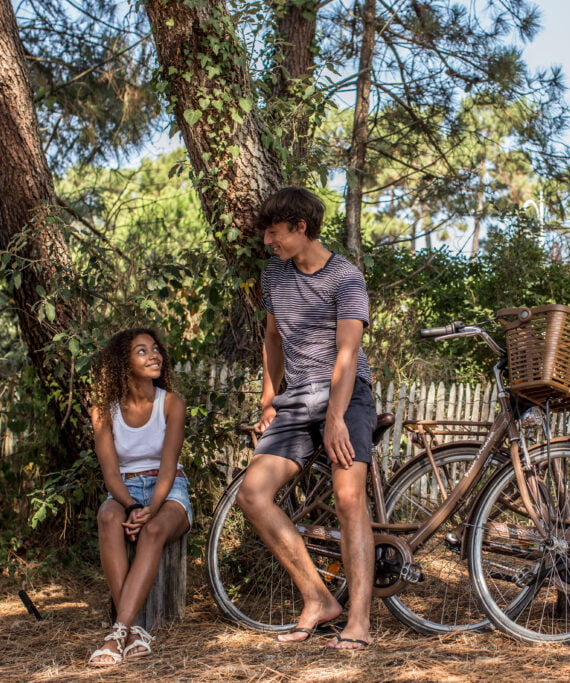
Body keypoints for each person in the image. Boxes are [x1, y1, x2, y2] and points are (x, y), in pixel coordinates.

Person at [236, 187, 377, 650]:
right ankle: (318, 599)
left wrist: (336, 418)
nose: (268, 242)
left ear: (300, 227)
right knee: (253, 494)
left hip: (347, 395)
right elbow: (273, 339)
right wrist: (268, 399)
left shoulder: (346, 279)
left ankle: (358, 621)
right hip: (297, 399)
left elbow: (347, 353)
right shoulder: (274, 275)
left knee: (349, 497)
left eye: (274, 233)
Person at [87, 327, 192, 667]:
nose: (154, 355)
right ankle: (132, 633)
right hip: (125, 490)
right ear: (123, 362)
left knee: (154, 530)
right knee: (107, 516)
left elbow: (167, 467)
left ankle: (117, 632)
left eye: (155, 349)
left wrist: (151, 509)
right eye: (142, 351)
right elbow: (111, 474)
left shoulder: (171, 404)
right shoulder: (104, 411)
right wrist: (132, 506)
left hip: (168, 489)